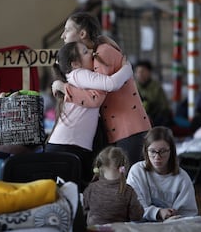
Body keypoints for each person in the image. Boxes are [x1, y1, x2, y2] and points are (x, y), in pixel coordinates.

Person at [54, 12, 151, 165]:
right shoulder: (99, 50)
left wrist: (64, 88)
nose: (62, 35)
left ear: (83, 33)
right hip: (123, 128)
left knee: (126, 182)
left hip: (128, 128)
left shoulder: (102, 53)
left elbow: (96, 97)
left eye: (67, 29)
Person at [47, 41, 133, 183]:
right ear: (75, 64)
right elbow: (111, 84)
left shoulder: (74, 78)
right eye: (85, 52)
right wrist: (127, 68)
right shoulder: (78, 74)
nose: (92, 53)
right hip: (67, 146)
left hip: (66, 145)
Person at [126, 126, 198, 221]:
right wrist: (158, 212)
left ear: (171, 152)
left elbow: (189, 214)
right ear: (146, 151)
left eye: (163, 151)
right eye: (152, 151)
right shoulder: (137, 171)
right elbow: (133, 208)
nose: (157, 157)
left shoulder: (183, 178)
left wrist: (173, 217)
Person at [83, 146, 143, 225]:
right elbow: (136, 216)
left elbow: (83, 211)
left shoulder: (91, 188)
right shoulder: (128, 191)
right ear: (122, 168)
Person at [134, 60, 173, 127]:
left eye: (143, 71)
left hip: (155, 119)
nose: (140, 74)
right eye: (137, 72)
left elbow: (165, 107)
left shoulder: (156, 87)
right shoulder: (133, 87)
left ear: (149, 72)